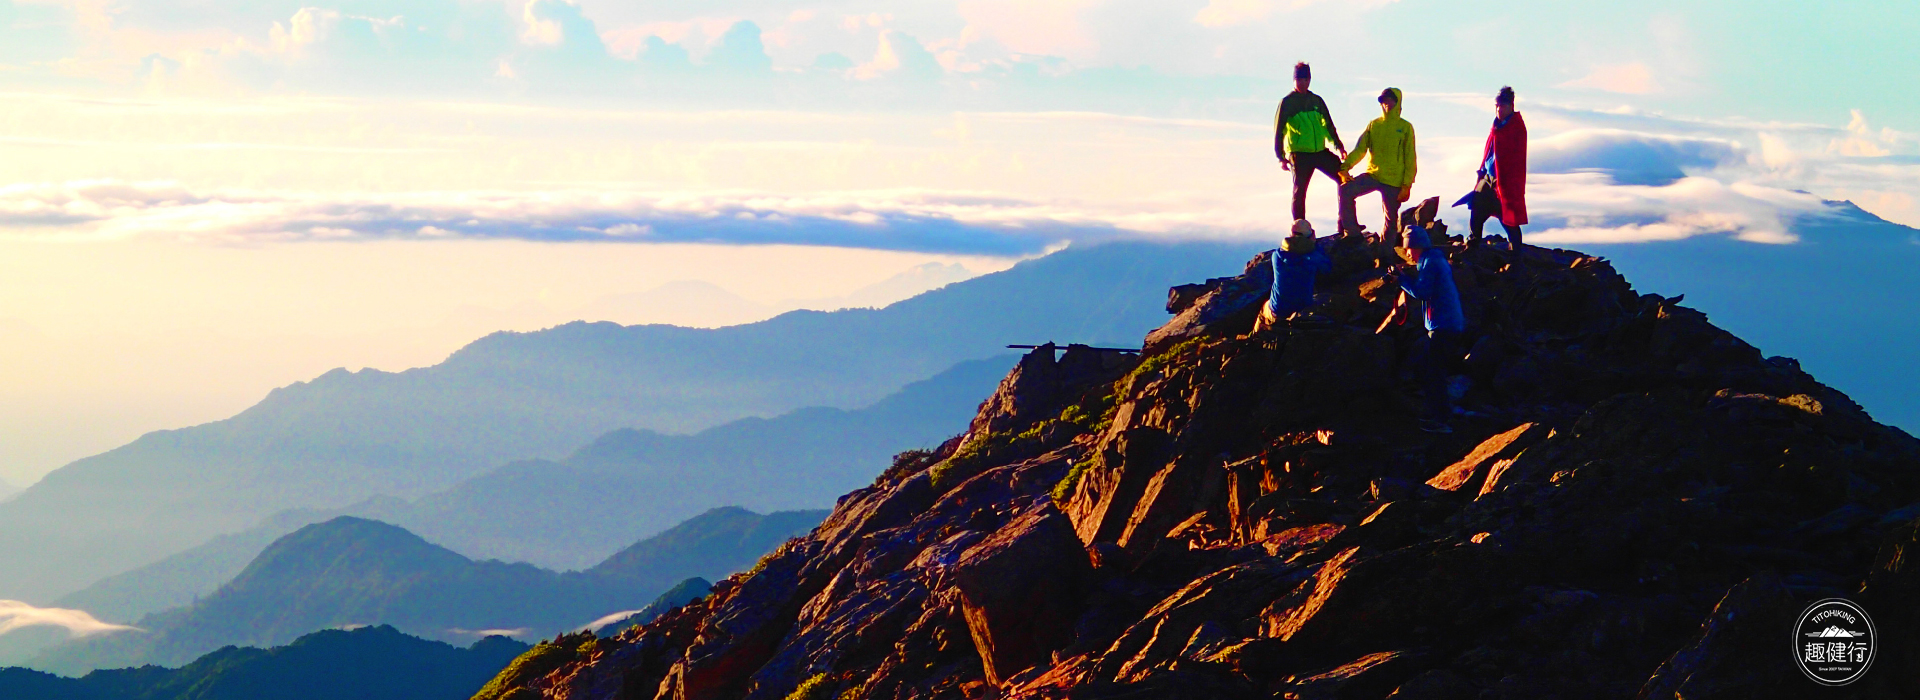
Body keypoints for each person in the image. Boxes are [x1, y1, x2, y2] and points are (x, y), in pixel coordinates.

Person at [1386, 223, 1464, 433]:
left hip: (1442, 325)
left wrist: (1401, 279)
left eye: (1408, 249)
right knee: (1432, 369)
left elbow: (1422, 292)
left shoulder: (1430, 262)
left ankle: (1441, 420)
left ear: (1415, 245)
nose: (1407, 254)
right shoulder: (1434, 259)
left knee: (1433, 372)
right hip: (1448, 324)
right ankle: (1442, 414)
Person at [1339, 88, 1417, 246]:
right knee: (1345, 190)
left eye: (1389, 100)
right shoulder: (1374, 125)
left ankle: (1385, 257)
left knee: (1391, 221)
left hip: (1394, 181)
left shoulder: (1405, 127)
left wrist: (1407, 185)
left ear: (1397, 102)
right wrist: (1345, 167)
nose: (1386, 103)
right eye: (1383, 100)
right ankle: (1352, 232)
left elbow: (1410, 157)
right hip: (1373, 175)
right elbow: (1360, 149)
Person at [1274, 63, 1347, 223]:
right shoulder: (1287, 102)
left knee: (1344, 178)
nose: (1303, 83)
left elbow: (1328, 125)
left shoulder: (1317, 100)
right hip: (1299, 154)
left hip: (1319, 151)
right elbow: (1278, 131)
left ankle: (1346, 224)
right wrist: (1280, 157)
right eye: (1299, 79)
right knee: (1299, 192)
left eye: (1306, 79)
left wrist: (1339, 147)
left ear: (1310, 80)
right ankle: (1299, 230)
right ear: (1294, 80)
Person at [1467, 86, 1528, 263]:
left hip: (1506, 182)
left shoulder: (1516, 128)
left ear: (1511, 106)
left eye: (1503, 105)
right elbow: (1490, 151)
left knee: (1508, 218)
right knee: (1476, 209)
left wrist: (1507, 181)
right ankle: (1474, 245)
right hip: (1488, 177)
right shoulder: (1496, 127)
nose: (1499, 109)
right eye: (1497, 105)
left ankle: (1516, 254)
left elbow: (1514, 158)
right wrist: (1482, 172)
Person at [1258, 219, 1333, 331]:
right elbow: (1328, 269)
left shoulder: (1277, 256)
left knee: (1263, 310)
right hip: (1302, 307)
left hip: (1278, 309)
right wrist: (1313, 244)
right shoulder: (1314, 257)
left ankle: (1252, 339)